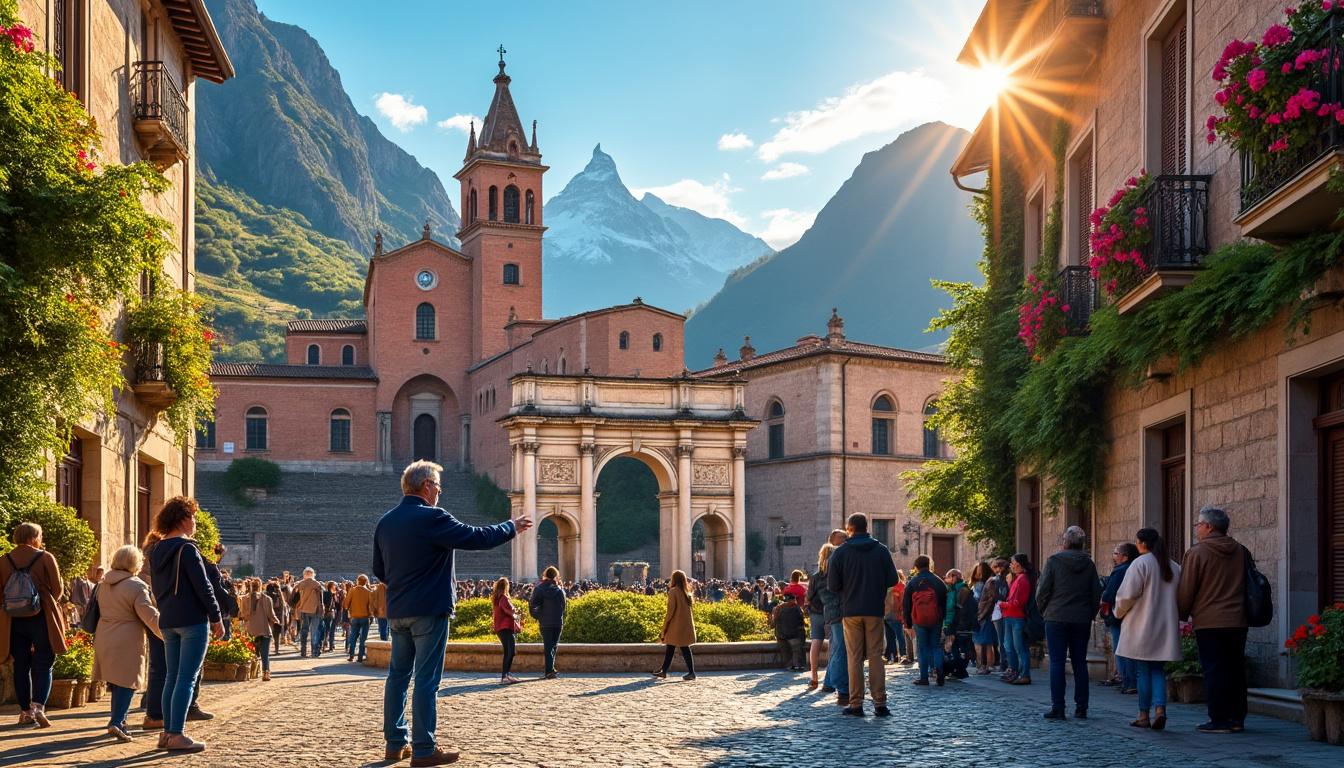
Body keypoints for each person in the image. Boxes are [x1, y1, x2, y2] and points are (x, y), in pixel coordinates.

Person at [374, 460, 527, 767]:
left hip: (398, 610)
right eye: (438, 487)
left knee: (397, 676)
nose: (440, 493)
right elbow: (475, 537)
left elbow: (380, 571)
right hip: (429, 610)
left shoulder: (385, 522)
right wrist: (510, 527)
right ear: (426, 486)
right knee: (427, 680)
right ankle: (424, 748)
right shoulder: (432, 517)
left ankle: (394, 744)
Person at [148, 497, 224, 754]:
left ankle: (167, 732)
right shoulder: (187, 549)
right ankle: (176, 734)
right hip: (192, 619)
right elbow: (204, 587)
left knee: (172, 677)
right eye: (192, 517)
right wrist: (216, 617)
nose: (194, 522)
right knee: (186, 678)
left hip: (168, 619)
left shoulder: (156, 550)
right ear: (182, 519)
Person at [1177, 505, 1250, 734]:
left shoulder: (1197, 552)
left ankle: (1218, 719)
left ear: (1208, 526)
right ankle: (1237, 718)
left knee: (1214, 669)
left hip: (1209, 620)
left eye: (1198, 524)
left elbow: (1187, 588)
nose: (1196, 529)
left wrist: (1181, 614)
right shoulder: (1241, 550)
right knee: (1235, 668)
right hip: (1238, 619)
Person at [828, 512, 899, 717]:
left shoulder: (841, 553)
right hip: (874, 610)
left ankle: (856, 703)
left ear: (849, 528)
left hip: (850, 610)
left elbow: (833, 585)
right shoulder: (881, 550)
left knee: (854, 657)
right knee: (876, 656)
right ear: (866, 527)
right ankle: (880, 703)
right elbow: (893, 579)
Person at [89, 544, 161, 741]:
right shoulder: (136, 585)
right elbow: (149, 615)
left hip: (105, 635)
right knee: (128, 682)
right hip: (127, 637)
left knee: (117, 681)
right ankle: (117, 721)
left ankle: (118, 719)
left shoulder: (102, 584)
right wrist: (166, 633)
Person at [1, 522, 69, 729]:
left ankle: (25, 712)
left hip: (12, 619)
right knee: (44, 662)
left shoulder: (3, 560)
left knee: (20, 665)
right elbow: (57, 590)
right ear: (35, 537)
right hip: (42, 617)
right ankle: (38, 705)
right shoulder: (45, 557)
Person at [1115, 528, 1182, 731]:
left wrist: (1118, 612)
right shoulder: (1173, 566)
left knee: (1143, 671)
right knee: (1158, 670)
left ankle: (1143, 714)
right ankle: (1160, 710)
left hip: (1142, 625)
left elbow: (1127, 595)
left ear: (1142, 543)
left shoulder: (1140, 563)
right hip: (1165, 625)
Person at [1036, 525, 1102, 720]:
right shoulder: (1089, 564)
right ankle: (1082, 707)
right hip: (1080, 618)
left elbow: (1042, 590)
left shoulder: (1054, 561)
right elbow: (1095, 593)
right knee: (1079, 662)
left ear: (1065, 542)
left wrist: (1044, 611)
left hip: (1056, 617)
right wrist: (1089, 614)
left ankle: (1058, 707)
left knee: (1057, 662)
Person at [1099, 543, 1140, 693]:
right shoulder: (1134, 568)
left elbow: (1110, 594)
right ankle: (1130, 680)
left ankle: (1127, 681)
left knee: (1121, 649)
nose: (1114, 556)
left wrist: (1104, 606)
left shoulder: (1120, 571)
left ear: (1125, 556)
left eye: (1116, 553)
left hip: (1118, 614)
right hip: (1132, 613)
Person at [902, 554, 947, 687]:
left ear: (916, 567)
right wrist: (942, 618)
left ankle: (924, 677)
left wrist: (908, 623)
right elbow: (945, 602)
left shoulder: (913, 582)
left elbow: (906, 605)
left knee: (922, 648)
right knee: (936, 646)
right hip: (936, 619)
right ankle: (940, 674)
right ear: (929, 565)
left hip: (919, 620)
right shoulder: (938, 581)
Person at [651, 569, 697, 681]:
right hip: (685, 626)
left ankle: (691, 672)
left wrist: (665, 625)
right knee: (674, 647)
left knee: (676, 647)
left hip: (675, 625)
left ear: (674, 579)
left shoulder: (673, 591)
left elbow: (670, 611)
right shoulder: (687, 592)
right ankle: (664, 671)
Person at [1000, 554, 1035, 685]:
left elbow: (1017, 602)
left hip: (1016, 617)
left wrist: (1002, 605)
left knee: (1019, 647)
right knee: (1008, 646)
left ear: (1019, 565)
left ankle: (1025, 674)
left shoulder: (1022, 579)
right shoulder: (1018, 579)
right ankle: (1014, 671)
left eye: (1012, 563)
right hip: (1010, 616)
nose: (1010, 565)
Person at [529, 566, 567, 679]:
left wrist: (538, 616)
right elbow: (564, 606)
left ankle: (549, 670)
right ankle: (550, 669)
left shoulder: (539, 589)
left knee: (548, 646)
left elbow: (532, 605)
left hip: (545, 622)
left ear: (545, 575)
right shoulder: (559, 590)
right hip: (557, 621)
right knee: (554, 646)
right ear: (556, 576)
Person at [943, 568, 976, 679]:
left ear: (954, 577)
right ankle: (958, 670)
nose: (946, 579)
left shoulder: (961, 590)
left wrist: (953, 625)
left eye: (948, 577)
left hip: (961, 624)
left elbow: (958, 609)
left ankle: (960, 670)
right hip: (958, 623)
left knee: (959, 649)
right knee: (956, 648)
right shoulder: (956, 589)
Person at [492, 577, 522, 684]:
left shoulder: (496, 597)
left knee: (507, 651)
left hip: (500, 627)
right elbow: (508, 610)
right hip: (506, 627)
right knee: (511, 651)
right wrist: (515, 612)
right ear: (506, 586)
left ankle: (506, 675)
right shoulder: (504, 597)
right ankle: (505, 676)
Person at [971, 561, 999, 674]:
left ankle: (983, 665)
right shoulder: (991, 581)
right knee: (988, 642)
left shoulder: (982, 584)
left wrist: (979, 613)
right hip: (988, 614)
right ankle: (989, 665)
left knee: (982, 642)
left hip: (983, 614)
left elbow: (979, 600)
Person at [804, 554, 827, 689]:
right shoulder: (838, 573)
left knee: (816, 642)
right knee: (835, 644)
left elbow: (808, 597)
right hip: (833, 613)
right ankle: (831, 676)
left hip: (817, 612)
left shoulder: (816, 576)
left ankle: (814, 677)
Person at [292, 567, 324, 658]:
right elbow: (321, 598)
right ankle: (314, 651)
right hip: (315, 610)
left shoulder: (300, 584)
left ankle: (303, 651)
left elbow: (294, 598)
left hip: (304, 610)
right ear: (313, 574)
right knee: (314, 631)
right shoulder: (317, 584)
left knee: (304, 631)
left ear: (304, 575)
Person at [770, 592, 807, 670]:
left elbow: (773, 624)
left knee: (786, 648)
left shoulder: (778, 608)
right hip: (793, 635)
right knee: (797, 645)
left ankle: (789, 665)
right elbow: (801, 622)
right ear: (793, 600)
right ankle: (798, 664)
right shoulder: (796, 607)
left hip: (781, 636)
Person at [344, 574, 374, 663]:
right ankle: (360, 656)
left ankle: (351, 655)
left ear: (357, 581)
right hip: (365, 617)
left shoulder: (352, 590)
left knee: (353, 636)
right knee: (363, 638)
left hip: (355, 617)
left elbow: (346, 604)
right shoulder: (369, 592)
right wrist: (371, 615)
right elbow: (371, 606)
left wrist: (350, 610)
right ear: (366, 582)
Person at [988, 558, 1010, 672]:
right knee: (1002, 640)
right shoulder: (996, 579)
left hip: (1001, 610)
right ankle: (1004, 662)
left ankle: (1004, 663)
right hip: (999, 610)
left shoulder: (1000, 579)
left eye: (997, 567)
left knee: (1002, 640)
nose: (996, 569)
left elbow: (997, 596)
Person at [882, 572, 907, 664]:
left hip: (885, 614)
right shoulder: (899, 586)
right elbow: (897, 602)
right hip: (894, 615)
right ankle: (903, 655)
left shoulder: (887, 586)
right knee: (900, 636)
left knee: (890, 637)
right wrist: (898, 613)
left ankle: (893, 657)